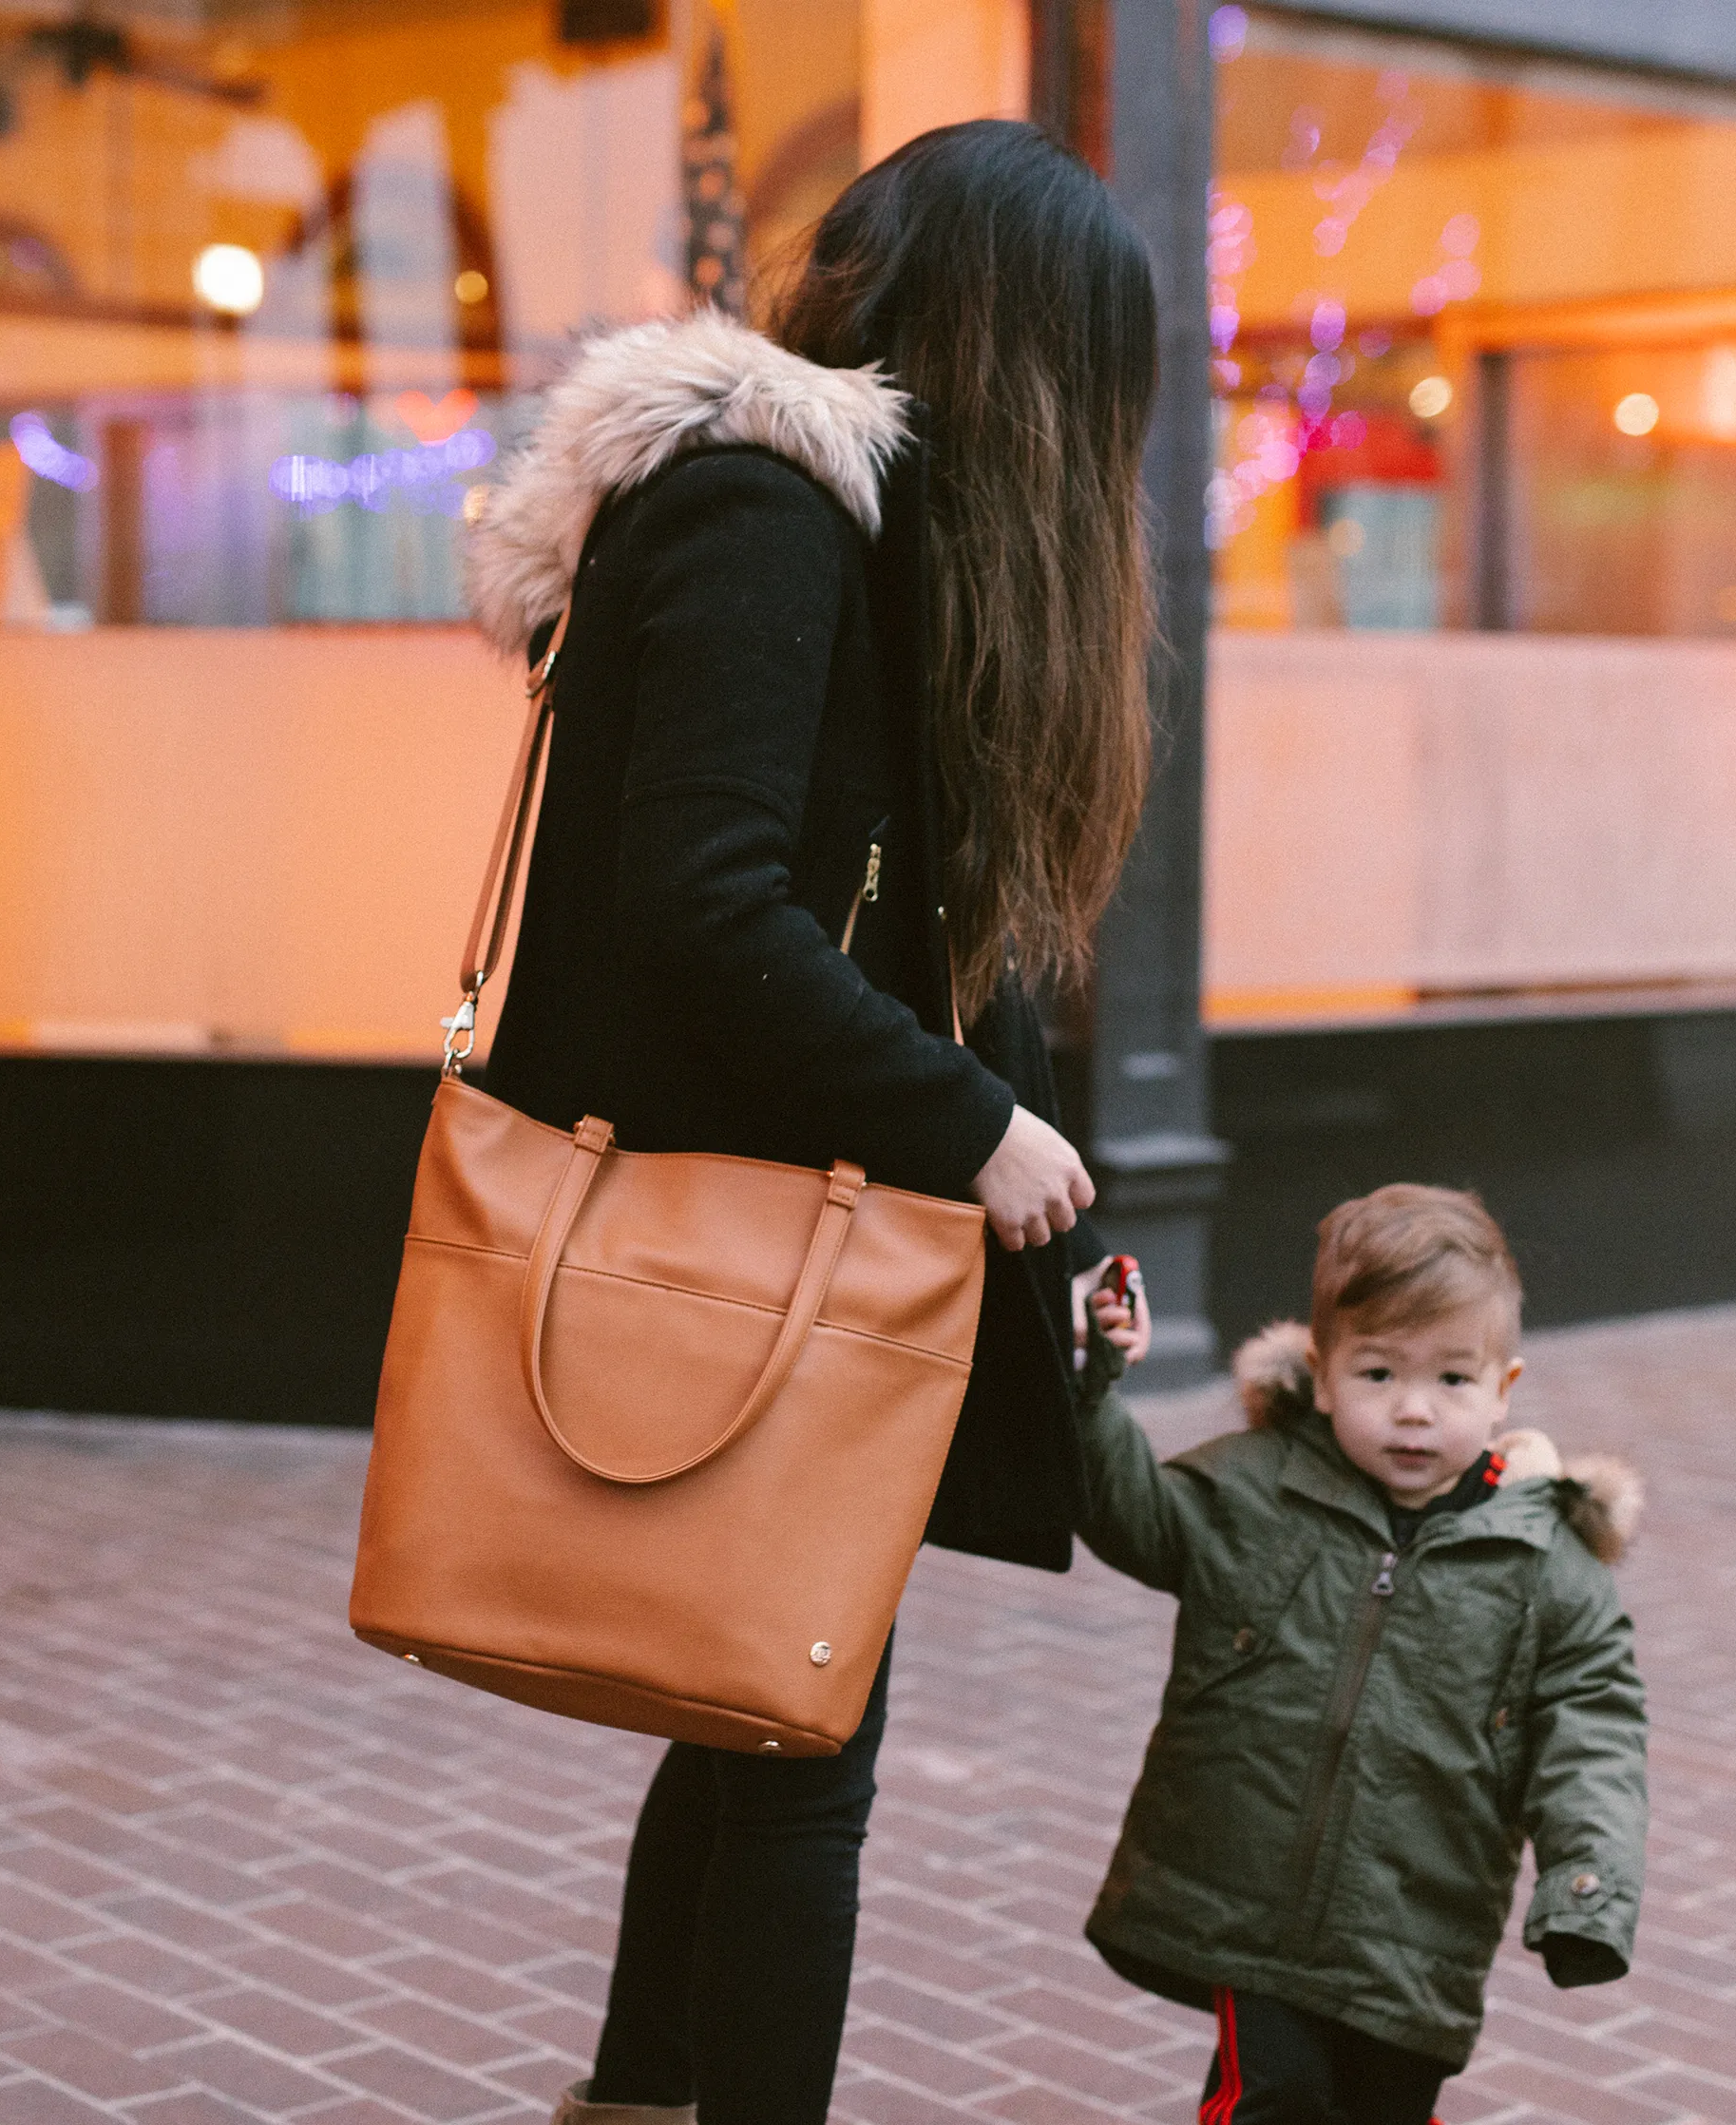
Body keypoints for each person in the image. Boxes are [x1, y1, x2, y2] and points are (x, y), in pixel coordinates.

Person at [463, 122, 1160, 2125]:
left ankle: (631, 2090)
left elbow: (935, 938)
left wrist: (1038, 1220)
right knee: (798, 1725)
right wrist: (971, 1126)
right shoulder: (766, 513)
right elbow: (703, 904)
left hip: (816, 1216)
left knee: (764, 1687)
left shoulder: (859, 536)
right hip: (744, 1215)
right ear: (1017, 344)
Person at [1074, 1184, 1649, 2124]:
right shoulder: (1256, 1487)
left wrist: (1588, 1884)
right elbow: (1128, 1509)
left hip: (1414, 1932)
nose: (1414, 1411)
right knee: (1274, 2097)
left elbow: (1595, 1731)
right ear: (1324, 1370)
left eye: (1451, 1381)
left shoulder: (1547, 1563)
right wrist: (1089, 1383)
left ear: (1503, 1389)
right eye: (1379, 1373)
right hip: (1248, 1908)